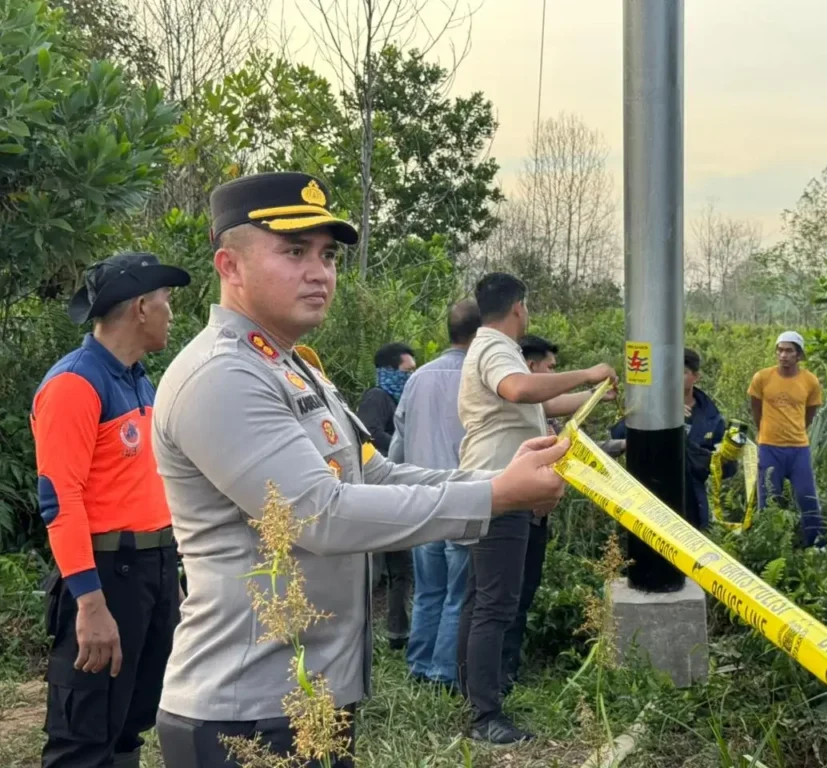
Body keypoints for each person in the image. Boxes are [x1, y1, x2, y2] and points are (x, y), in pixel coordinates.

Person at [150, 172, 569, 768]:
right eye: (294, 252)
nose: (319, 272)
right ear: (230, 266)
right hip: (246, 712)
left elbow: (374, 476)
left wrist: (492, 483)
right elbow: (320, 515)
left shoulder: (296, 370)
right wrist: (496, 497)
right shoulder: (223, 376)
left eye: (327, 255)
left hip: (305, 697)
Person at [31, 252, 191, 768]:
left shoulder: (139, 380)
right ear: (141, 308)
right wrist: (90, 605)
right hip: (104, 575)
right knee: (85, 732)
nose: (172, 313)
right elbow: (61, 501)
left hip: (152, 570)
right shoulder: (76, 384)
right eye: (167, 302)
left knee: (129, 720)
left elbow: (143, 483)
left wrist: (172, 573)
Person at [456, 272, 617, 745]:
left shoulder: (491, 349)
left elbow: (539, 402)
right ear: (519, 307)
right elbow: (522, 391)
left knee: (481, 598)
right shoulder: (494, 349)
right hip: (500, 488)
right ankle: (484, 715)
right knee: (495, 604)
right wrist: (589, 372)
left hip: (496, 485)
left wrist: (591, 397)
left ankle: (473, 692)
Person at [389, 299, 481, 692]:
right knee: (458, 595)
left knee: (429, 590)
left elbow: (399, 443)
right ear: (482, 334)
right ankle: (444, 674)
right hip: (463, 500)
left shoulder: (419, 378)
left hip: (421, 502)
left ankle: (419, 664)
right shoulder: (482, 379)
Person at [610, 348, 734, 528]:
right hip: (650, 496)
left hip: (691, 503)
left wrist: (730, 455)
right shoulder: (648, 403)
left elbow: (724, 471)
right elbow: (619, 433)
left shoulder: (711, 417)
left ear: (695, 376)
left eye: (682, 373)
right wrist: (659, 412)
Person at [359, 342, 417, 650]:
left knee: (400, 568)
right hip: (377, 494)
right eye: (407, 371)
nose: (411, 377)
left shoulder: (398, 402)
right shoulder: (377, 397)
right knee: (375, 570)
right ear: (388, 371)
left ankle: (397, 634)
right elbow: (368, 433)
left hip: (394, 492)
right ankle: (359, 632)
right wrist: (403, 443)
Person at [747, 331, 825, 547]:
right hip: (769, 447)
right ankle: (768, 546)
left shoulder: (810, 381)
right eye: (780, 350)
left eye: (789, 351)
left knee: (807, 498)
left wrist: (796, 430)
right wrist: (764, 430)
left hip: (799, 449)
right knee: (769, 500)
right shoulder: (762, 378)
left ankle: (816, 544)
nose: (783, 355)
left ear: (799, 355)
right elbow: (756, 407)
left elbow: (810, 411)